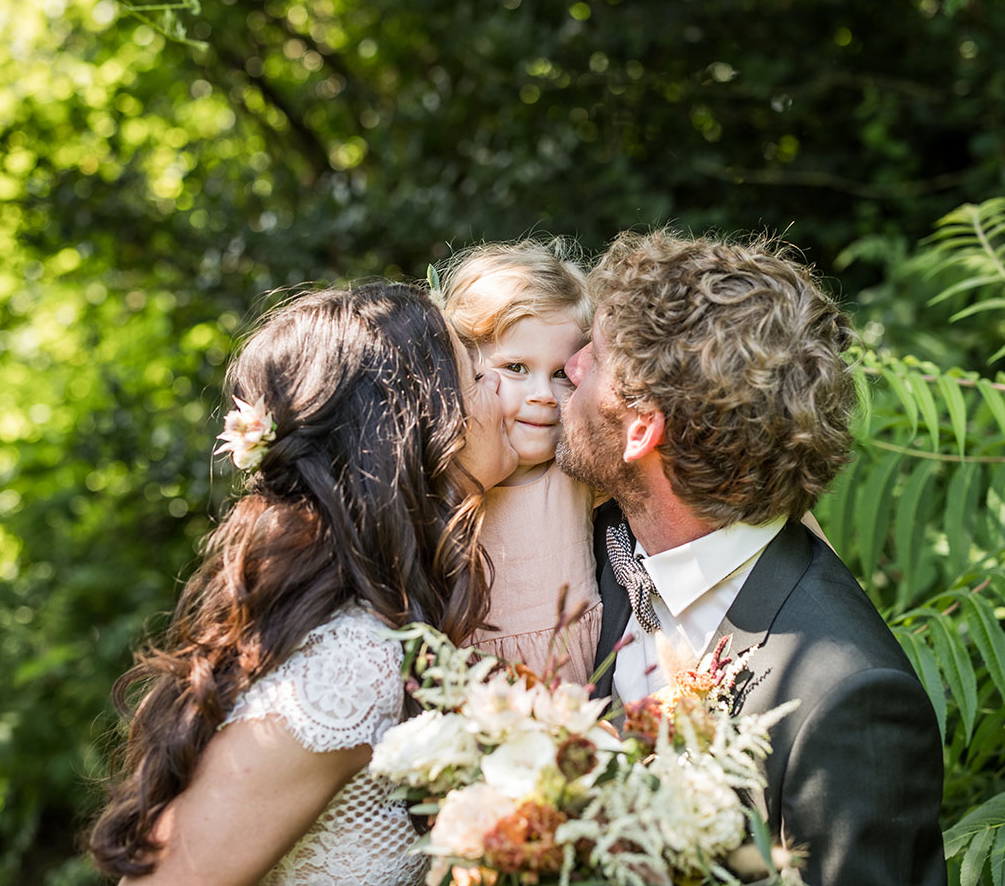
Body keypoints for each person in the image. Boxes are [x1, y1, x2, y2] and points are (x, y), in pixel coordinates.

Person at [87, 282, 517, 886]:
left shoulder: (395, 615)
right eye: (474, 374)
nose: (500, 384)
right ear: (414, 423)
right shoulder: (352, 663)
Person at [560, 230, 946, 886]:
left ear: (641, 429)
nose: (570, 367)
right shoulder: (596, 550)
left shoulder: (846, 697)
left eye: (593, 358)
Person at [436, 240, 603, 681]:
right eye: (515, 368)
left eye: (560, 374)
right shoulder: (440, 483)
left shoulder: (581, 472)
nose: (543, 395)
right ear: (464, 364)